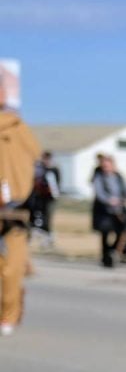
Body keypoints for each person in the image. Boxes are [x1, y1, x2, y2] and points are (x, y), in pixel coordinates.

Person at [0, 90, 41, 335]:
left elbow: (34, 165)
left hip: (14, 213)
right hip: (14, 207)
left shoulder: (18, 130)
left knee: (12, 268)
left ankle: (9, 313)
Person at [92, 156, 126, 268]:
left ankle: (113, 251)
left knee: (122, 231)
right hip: (104, 210)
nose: (106, 168)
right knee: (105, 233)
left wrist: (122, 200)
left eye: (107, 166)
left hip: (118, 210)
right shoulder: (99, 178)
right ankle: (105, 256)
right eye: (104, 166)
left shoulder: (119, 177)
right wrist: (109, 200)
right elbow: (99, 193)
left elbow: (125, 190)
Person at [28, 151, 61, 247]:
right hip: (40, 197)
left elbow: (55, 186)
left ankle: (49, 238)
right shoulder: (40, 170)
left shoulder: (53, 170)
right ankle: (40, 235)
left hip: (50, 198)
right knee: (38, 217)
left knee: (47, 217)